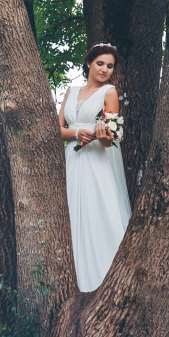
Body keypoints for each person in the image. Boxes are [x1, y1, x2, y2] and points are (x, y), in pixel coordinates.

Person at [57, 42, 132, 292]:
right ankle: (79, 278)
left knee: (98, 210)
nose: (105, 70)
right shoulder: (71, 91)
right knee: (75, 211)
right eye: (100, 63)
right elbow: (57, 130)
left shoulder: (109, 92)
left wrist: (102, 135)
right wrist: (78, 132)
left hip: (96, 161)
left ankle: (107, 277)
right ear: (88, 62)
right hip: (73, 158)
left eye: (110, 66)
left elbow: (109, 139)